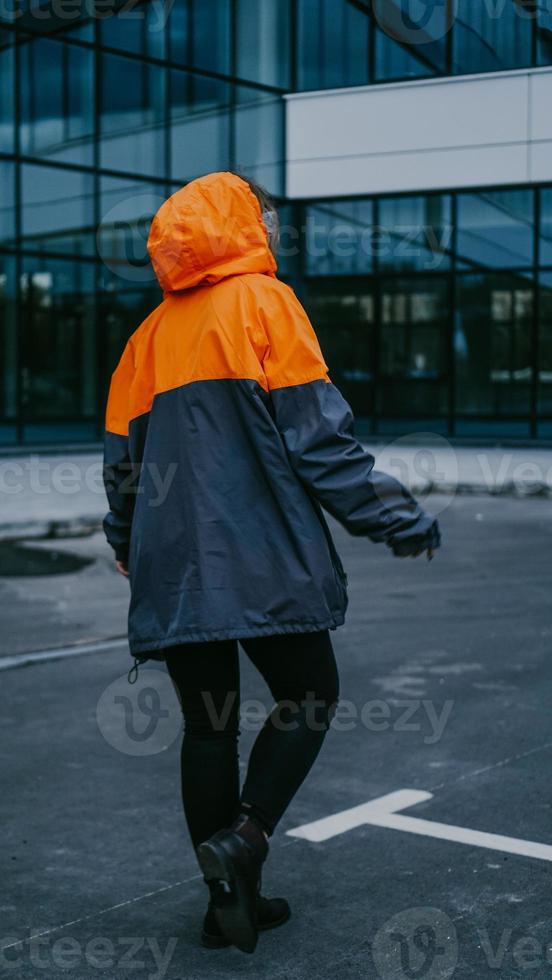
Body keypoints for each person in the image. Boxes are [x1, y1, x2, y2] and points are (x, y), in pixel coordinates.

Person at [102, 171, 441, 953]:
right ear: (243, 223)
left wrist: (127, 544)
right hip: (259, 556)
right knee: (311, 692)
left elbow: (123, 466)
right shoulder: (264, 302)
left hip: (175, 567)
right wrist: (396, 519)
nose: (277, 233)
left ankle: (228, 904)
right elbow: (317, 440)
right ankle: (247, 839)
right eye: (269, 218)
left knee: (206, 724)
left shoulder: (144, 339)